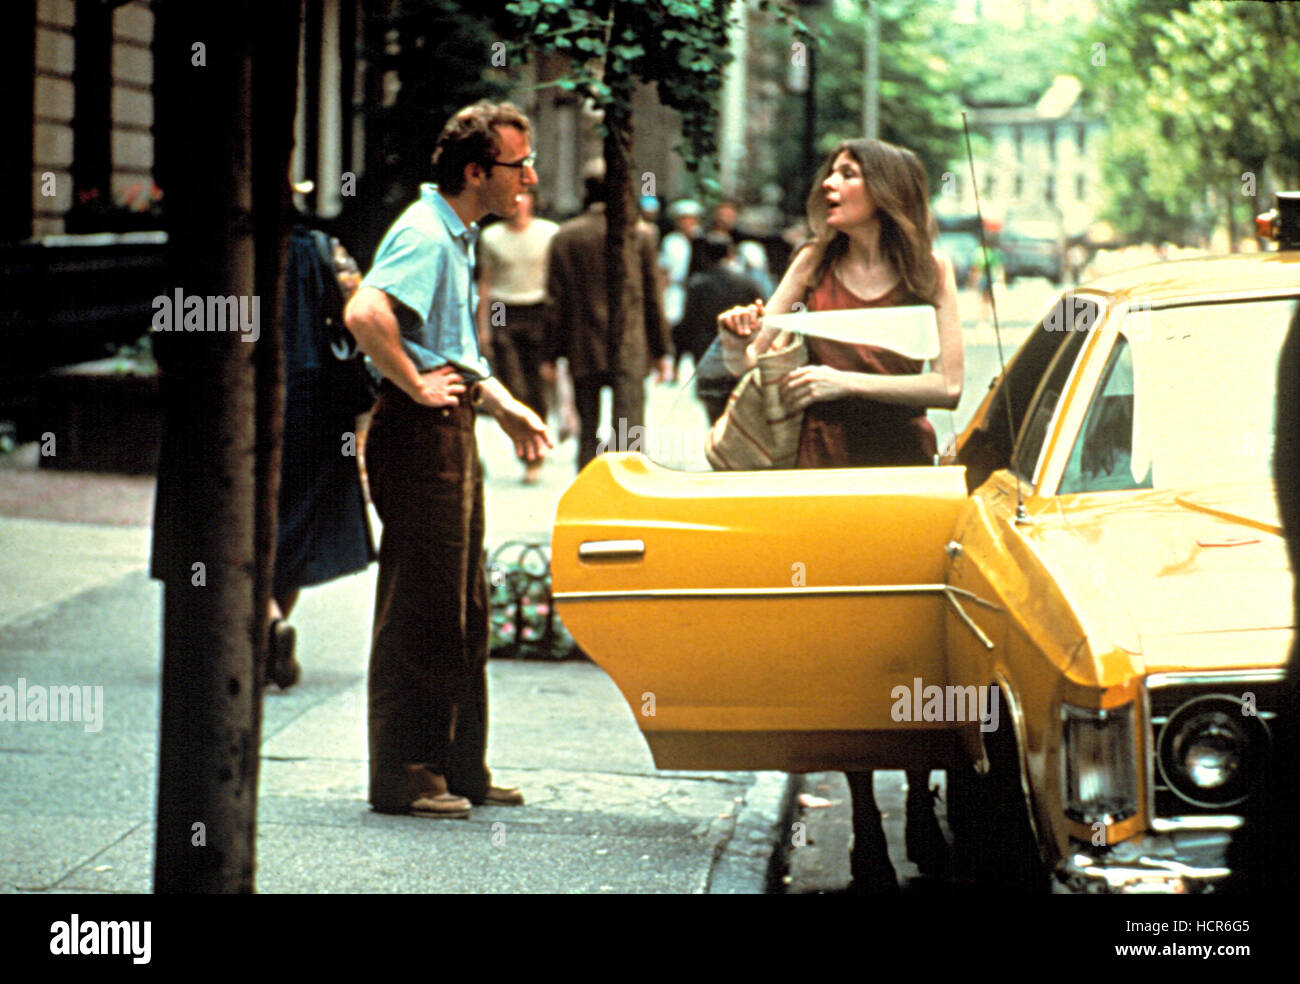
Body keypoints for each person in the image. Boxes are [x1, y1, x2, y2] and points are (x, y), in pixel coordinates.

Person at [718, 138, 963, 892]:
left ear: (885, 188)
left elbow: (949, 387)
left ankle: (920, 797)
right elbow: (751, 368)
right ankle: (864, 825)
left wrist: (843, 383)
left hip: (899, 475)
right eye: (830, 171)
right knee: (841, 651)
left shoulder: (931, 272)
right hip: (820, 474)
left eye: (848, 174)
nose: (830, 183)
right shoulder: (809, 264)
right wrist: (738, 338)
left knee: (907, 643)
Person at [343, 101, 552, 819]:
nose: (529, 176)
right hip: (422, 432)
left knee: (462, 599)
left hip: (449, 426)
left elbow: (451, 344)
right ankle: (409, 773)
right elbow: (367, 314)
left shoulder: (455, 234)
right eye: (518, 164)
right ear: (475, 171)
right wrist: (414, 383)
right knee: (424, 603)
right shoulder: (428, 236)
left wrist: (501, 403)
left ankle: (460, 764)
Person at [266, 221, 377, 689]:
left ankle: (267, 625)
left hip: (238, 405)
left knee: (232, 529)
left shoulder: (223, 242)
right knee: (294, 526)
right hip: (315, 407)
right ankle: (270, 634)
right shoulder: (322, 248)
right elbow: (358, 313)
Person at [545, 158, 672, 471]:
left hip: (583, 346)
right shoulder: (640, 235)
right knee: (629, 434)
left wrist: (551, 354)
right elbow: (653, 298)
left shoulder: (565, 237)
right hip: (630, 346)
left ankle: (588, 498)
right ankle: (625, 497)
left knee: (587, 432)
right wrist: (661, 350)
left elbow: (554, 302)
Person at [475, 186, 560, 483]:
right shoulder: (491, 237)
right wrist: (484, 328)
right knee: (514, 383)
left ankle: (537, 448)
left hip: (537, 310)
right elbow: (485, 283)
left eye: (525, 198)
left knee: (538, 382)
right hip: (504, 310)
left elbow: (555, 279)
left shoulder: (548, 233)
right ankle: (525, 450)